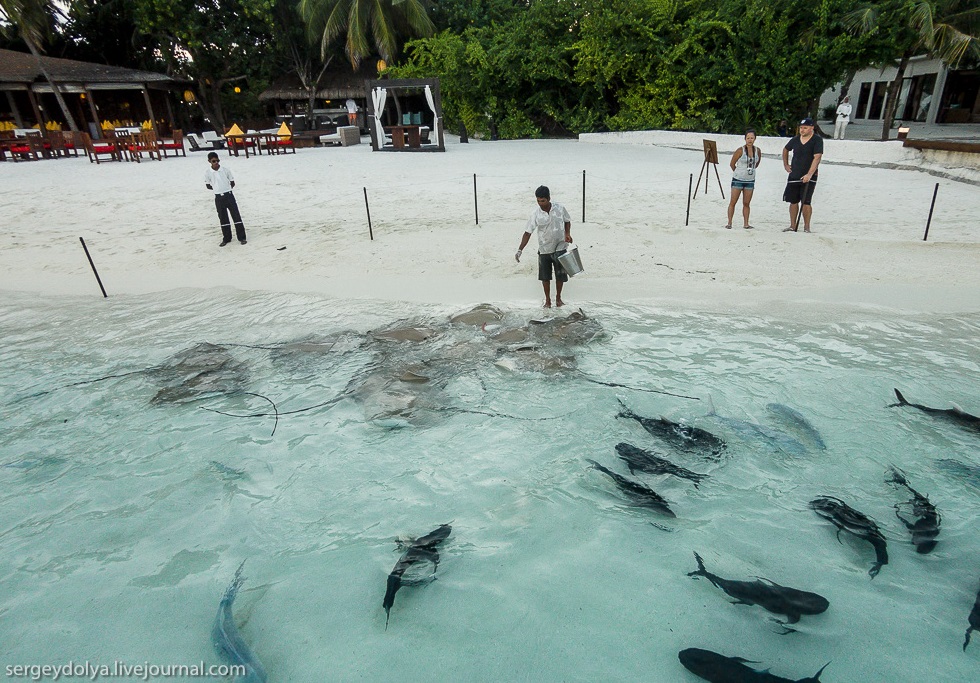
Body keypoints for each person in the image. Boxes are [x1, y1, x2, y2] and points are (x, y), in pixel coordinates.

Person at [515, 185, 573, 308]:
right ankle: (547, 300)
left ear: (549, 198)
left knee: (560, 275)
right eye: (538, 201)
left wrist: (567, 234)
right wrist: (520, 249)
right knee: (545, 277)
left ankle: (558, 298)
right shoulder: (535, 213)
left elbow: (567, 221)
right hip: (544, 248)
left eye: (543, 201)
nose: (541, 203)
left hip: (560, 246)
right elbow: (527, 232)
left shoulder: (560, 208)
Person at [781, 118, 823, 234]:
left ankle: (806, 227)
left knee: (806, 201)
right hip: (794, 174)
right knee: (793, 201)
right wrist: (786, 164)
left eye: (805, 128)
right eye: (801, 127)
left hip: (809, 176)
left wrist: (809, 174)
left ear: (811, 128)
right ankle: (792, 225)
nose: (802, 130)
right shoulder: (795, 140)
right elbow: (785, 149)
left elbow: (817, 157)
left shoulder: (817, 140)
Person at [204, 151, 247, 246]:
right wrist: (217, 190)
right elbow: (208, 185)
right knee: (223, 218)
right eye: (213, 161)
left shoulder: (225, 170)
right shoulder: (208, 172)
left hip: (228, 195)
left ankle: (242, 237)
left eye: (217, 161)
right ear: (209, 161)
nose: (216, 163)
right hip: (219, 197)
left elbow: (232, 182)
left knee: (236, 216)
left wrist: (227, 189)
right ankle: (227, 238)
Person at [724, 129, 762, 230]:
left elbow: (757, 163)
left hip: (750, 180)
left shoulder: (757, 150)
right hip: (738, 179)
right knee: (733, 201)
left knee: (746, 203)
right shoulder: (740, 150)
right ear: (745, 139)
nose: (750, 140)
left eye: (752, 138)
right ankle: (729, 222)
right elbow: (732, 163)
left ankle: (746, 223)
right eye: (748, 138)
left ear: (755, 139)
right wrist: (738, 172)